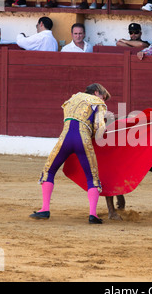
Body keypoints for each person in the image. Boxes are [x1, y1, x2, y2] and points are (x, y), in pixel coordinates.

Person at [30, 83, 111, 224]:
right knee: (92, 177)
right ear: (97, 92)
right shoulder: (98, 103)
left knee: (48, 170)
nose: (103, 100)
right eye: (103, 97)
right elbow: (99, 127)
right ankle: (93, 215)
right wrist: (101, 133)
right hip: (83, 140)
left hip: (64, 139)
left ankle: (44, 209)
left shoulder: (72, 99)